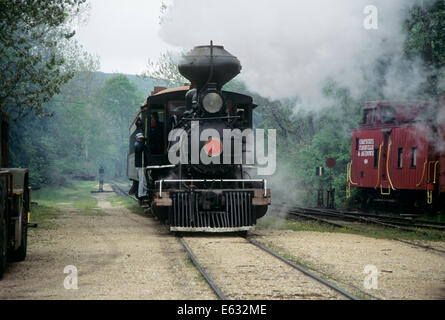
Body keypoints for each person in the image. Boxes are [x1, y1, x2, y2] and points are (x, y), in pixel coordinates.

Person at [134, 132, 148, 198]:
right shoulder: (136, 144)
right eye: (139, 138)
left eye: (141, 138)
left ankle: (144, 193)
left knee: (144, 181)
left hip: (143, 165)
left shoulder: (141, 144)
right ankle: (140, 194)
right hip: (140, 165)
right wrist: (143, 142)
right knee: (142, 181)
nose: (141, 139)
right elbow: (139, 149)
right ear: (136, 138)